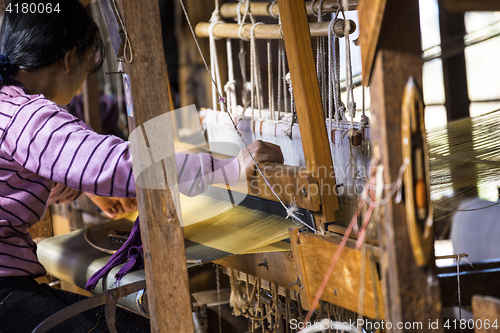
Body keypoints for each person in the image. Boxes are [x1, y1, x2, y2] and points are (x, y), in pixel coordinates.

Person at [0, 1, 283, 332]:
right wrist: (228, 170)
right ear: (68, 58)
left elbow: (19, 173)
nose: (82, 83)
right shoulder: (26, 117)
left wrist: (86, 187)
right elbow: (120, 165)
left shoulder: (8, 104)